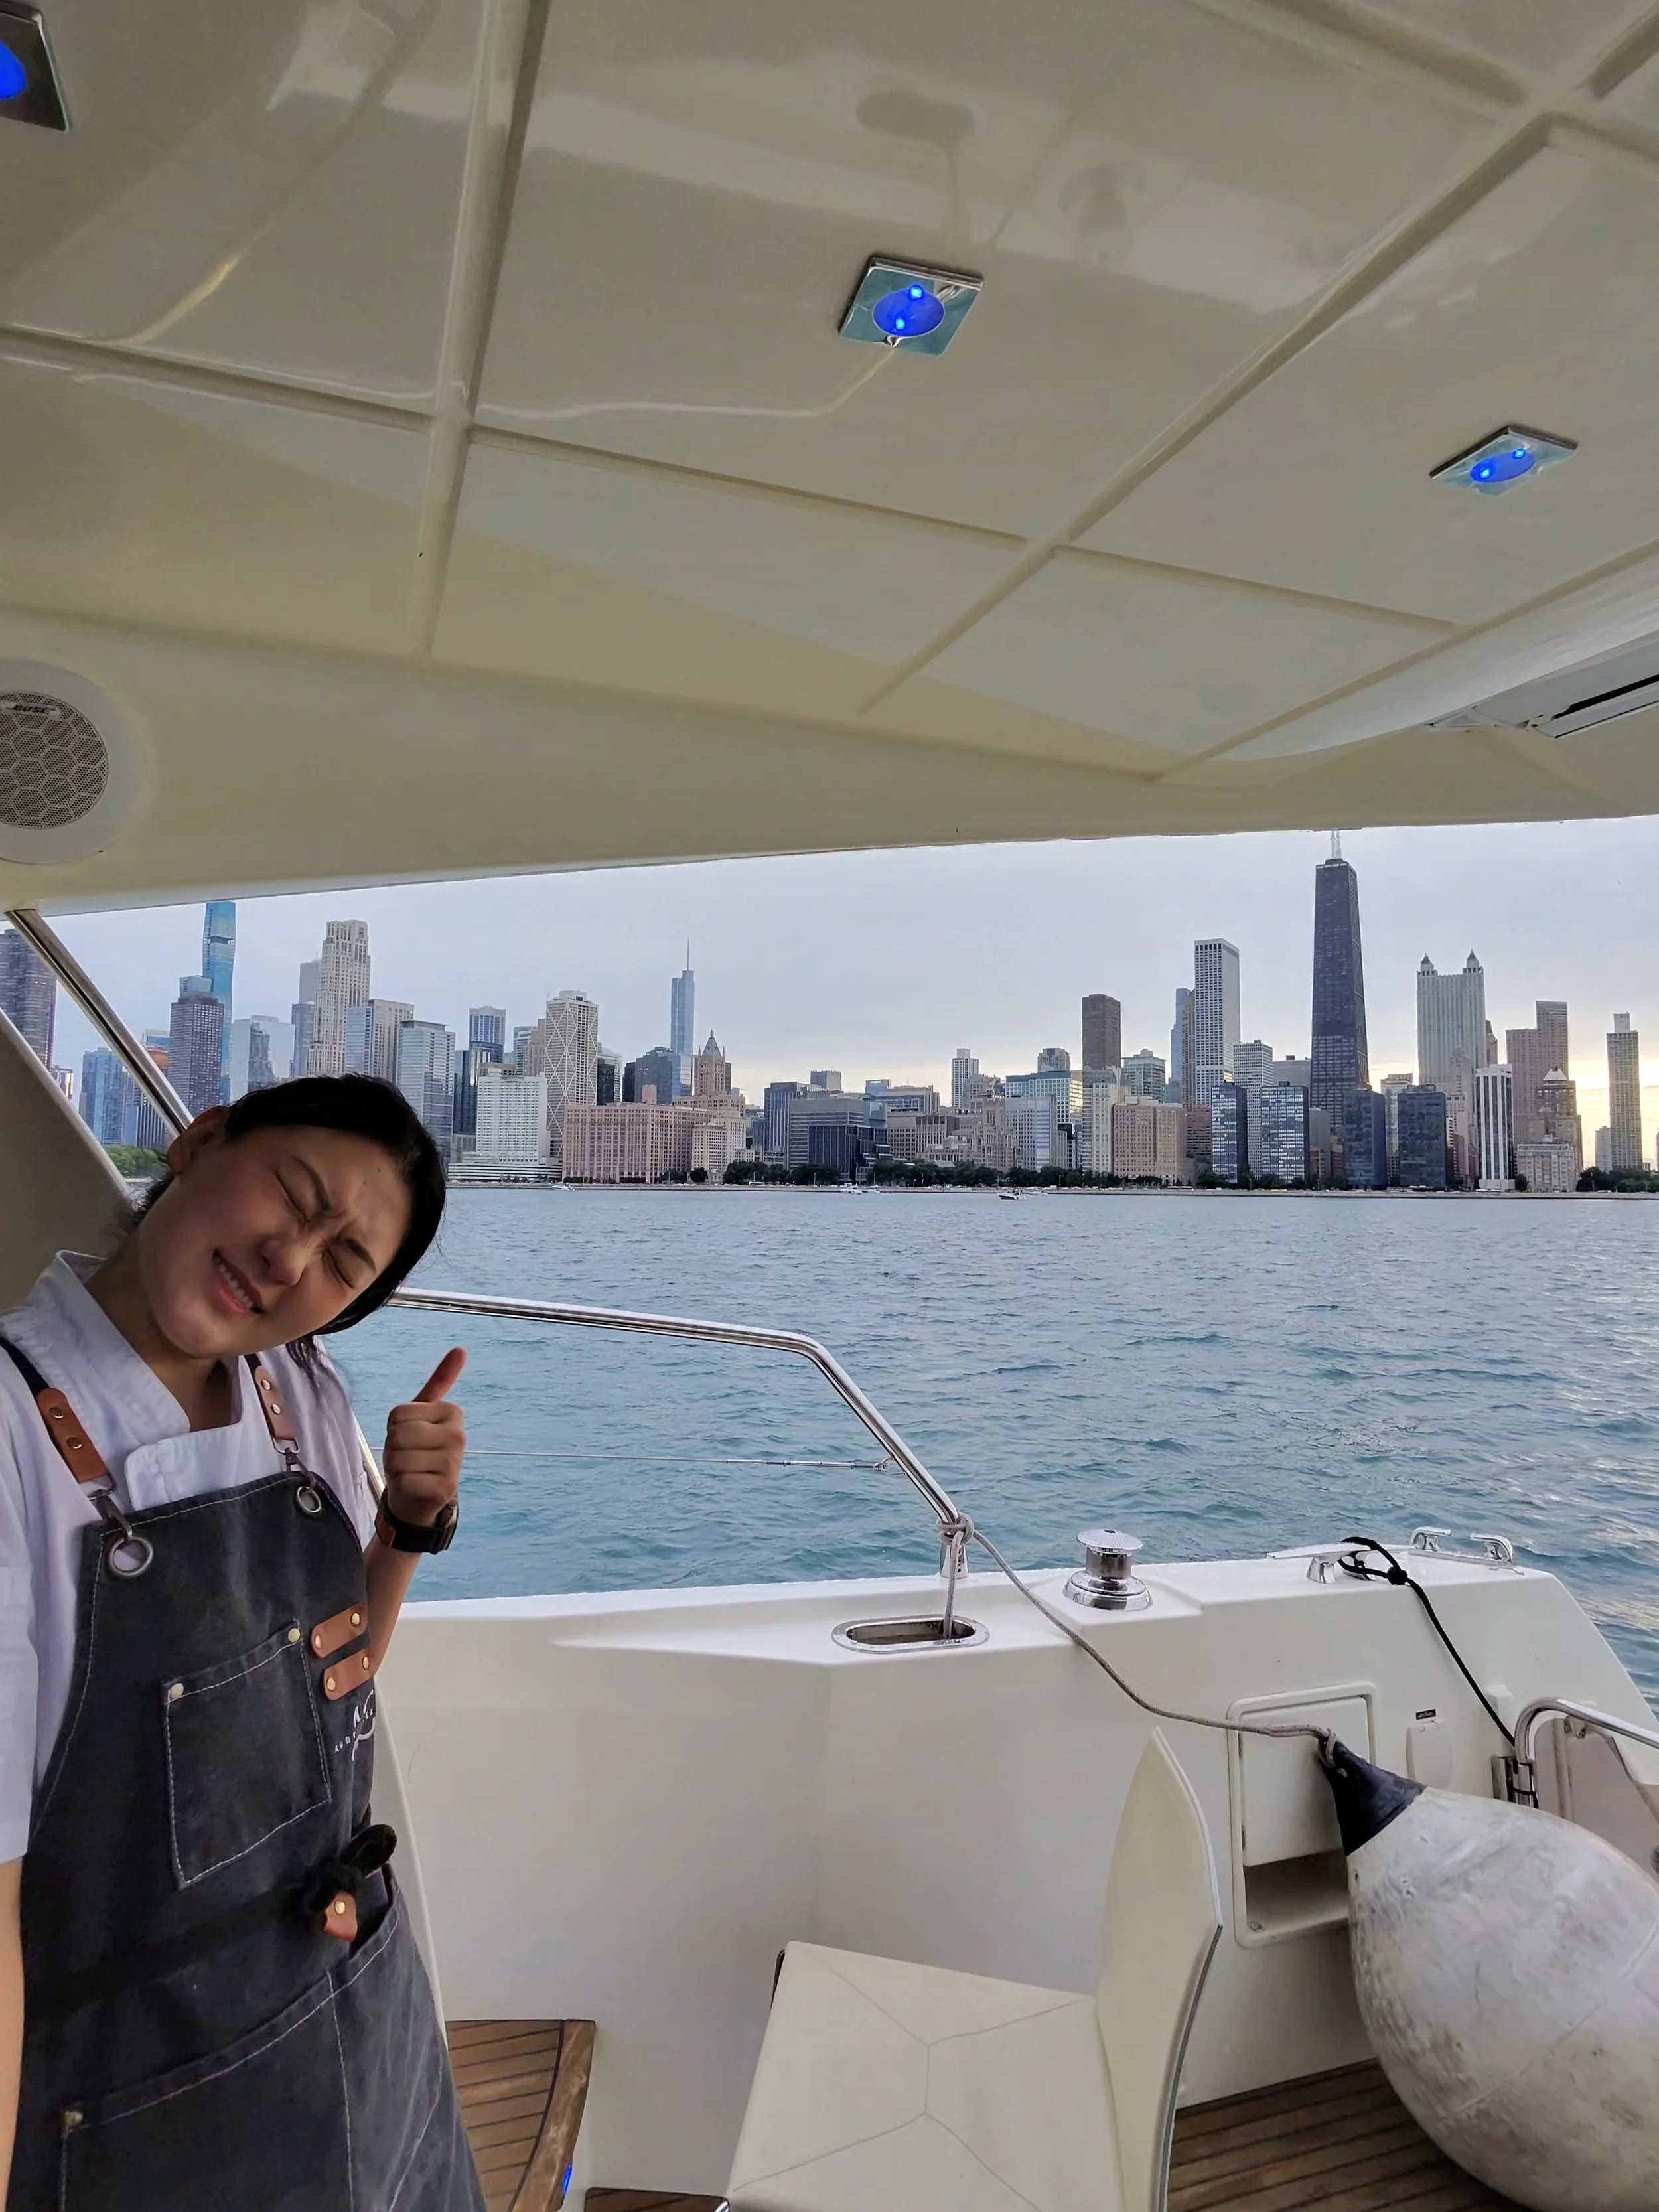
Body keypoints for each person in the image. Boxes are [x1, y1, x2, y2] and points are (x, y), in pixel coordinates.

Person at [0, 1074, 483, 2209]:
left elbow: (335, 1692)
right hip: (141, 2101)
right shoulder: (14, 1434)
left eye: (341, 1262)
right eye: (296, 1195)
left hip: (363, 2017)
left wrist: (407, 1530)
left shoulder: (295, 1394)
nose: (288, 1259)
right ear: (200, 1139)